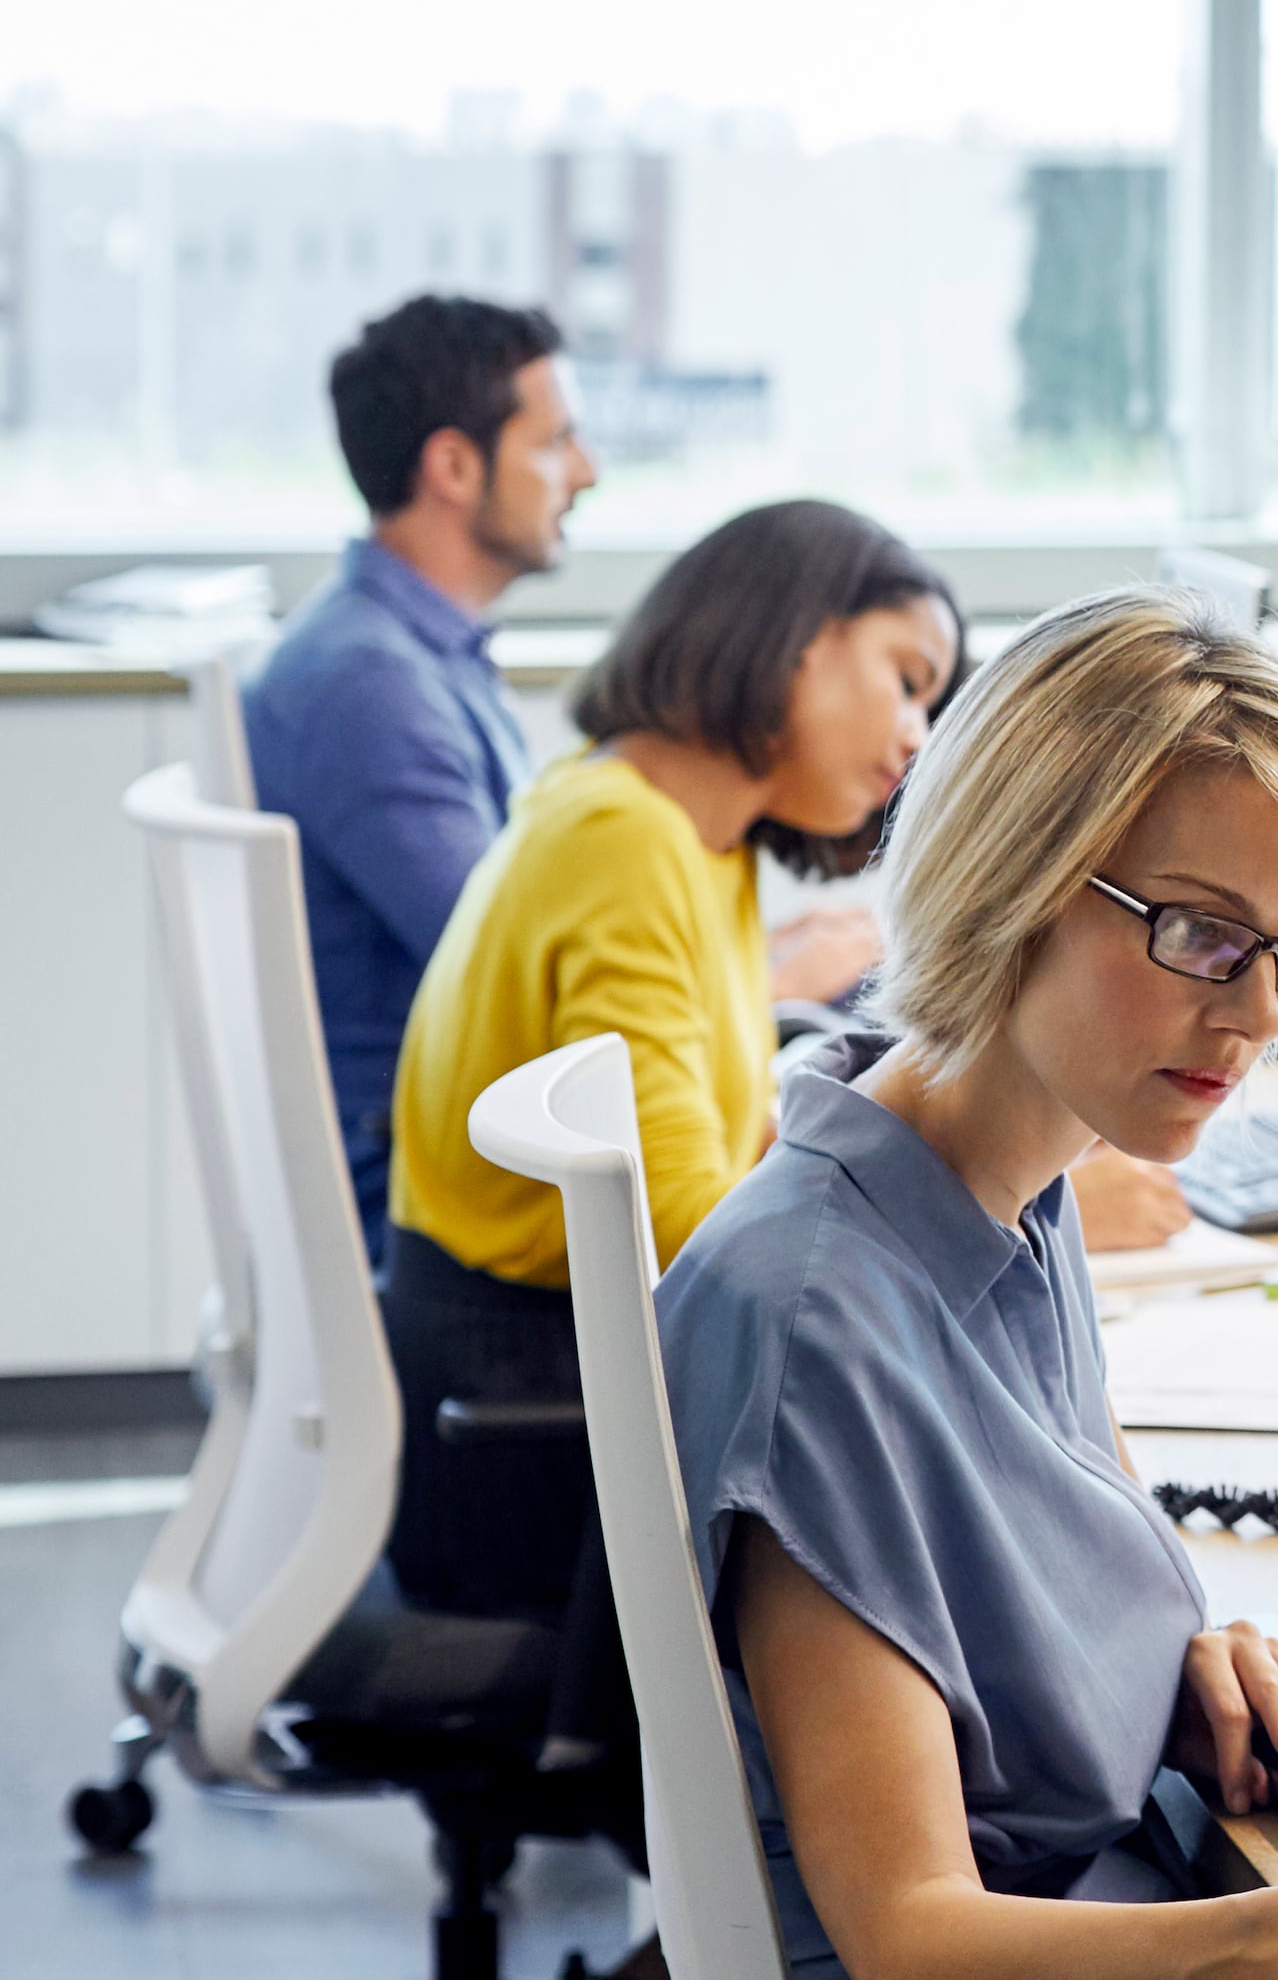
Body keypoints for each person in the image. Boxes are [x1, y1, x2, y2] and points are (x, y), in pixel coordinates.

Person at [663, 589, 1278, 1980]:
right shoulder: (815, 1314)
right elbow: (919, 1952)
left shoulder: (1012, 1171)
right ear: (1010, 877)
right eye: (1204, 933)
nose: (1258, 1012)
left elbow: (1044, 1549)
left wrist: (1177, 1642)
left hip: (1091, 1936)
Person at [379, 500, 962, 1650]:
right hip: (523, 1435)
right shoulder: (625, 840)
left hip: (553, 1386)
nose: (915, 737)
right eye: (905, 680)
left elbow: (723, 1150)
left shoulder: (689, 838)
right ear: (798, 635)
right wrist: (967, 1205)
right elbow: (692, 1238)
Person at [244, 295, 596, 1247]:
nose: (586, 472)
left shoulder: (407, 652)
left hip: (439, 1151)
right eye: (555, 441)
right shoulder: (371, 684)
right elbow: (514, 975)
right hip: (419, 1203)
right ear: (452, 464)